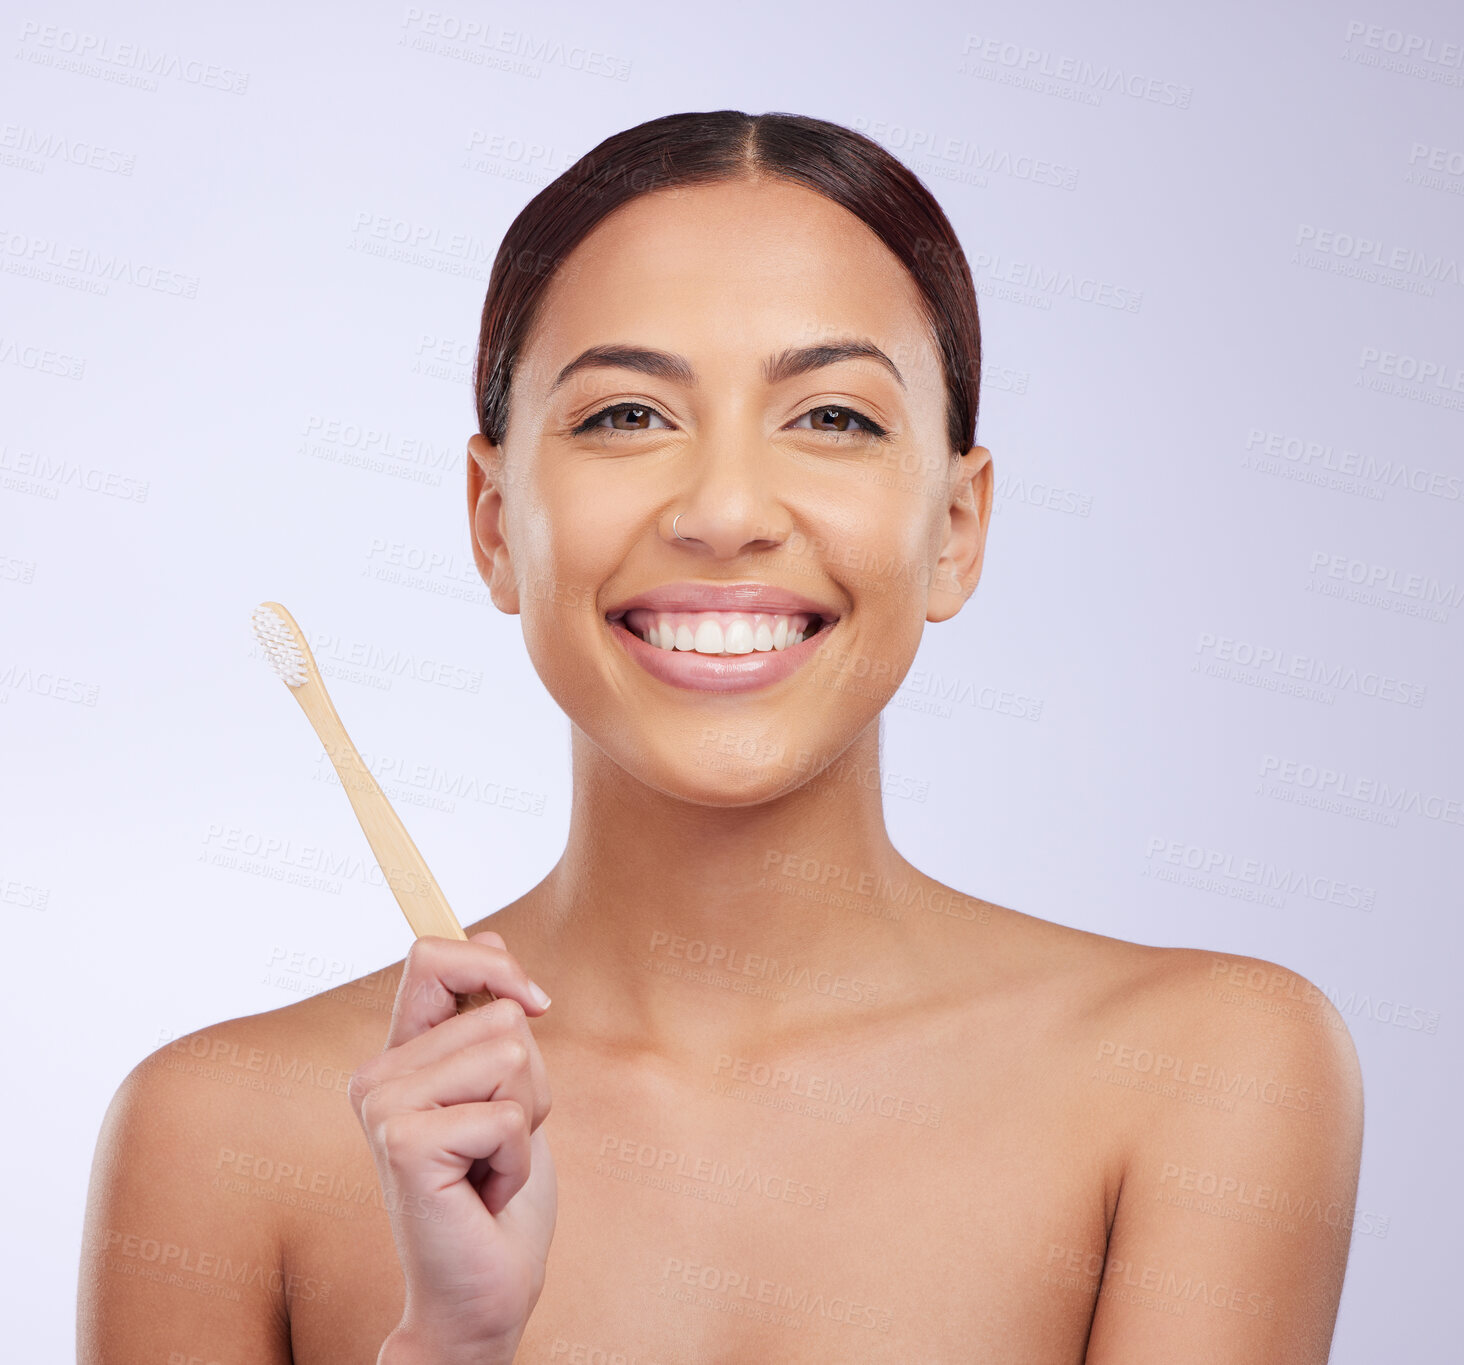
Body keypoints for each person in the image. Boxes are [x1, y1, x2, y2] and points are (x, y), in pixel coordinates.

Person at [78, 110, 1364, 1364]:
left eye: (835, 418)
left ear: (957, 531)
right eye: (626, 416)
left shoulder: (1211, 1072)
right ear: (490, 520)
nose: (727, 510)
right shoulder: (215, 1140)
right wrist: (453, 1346)